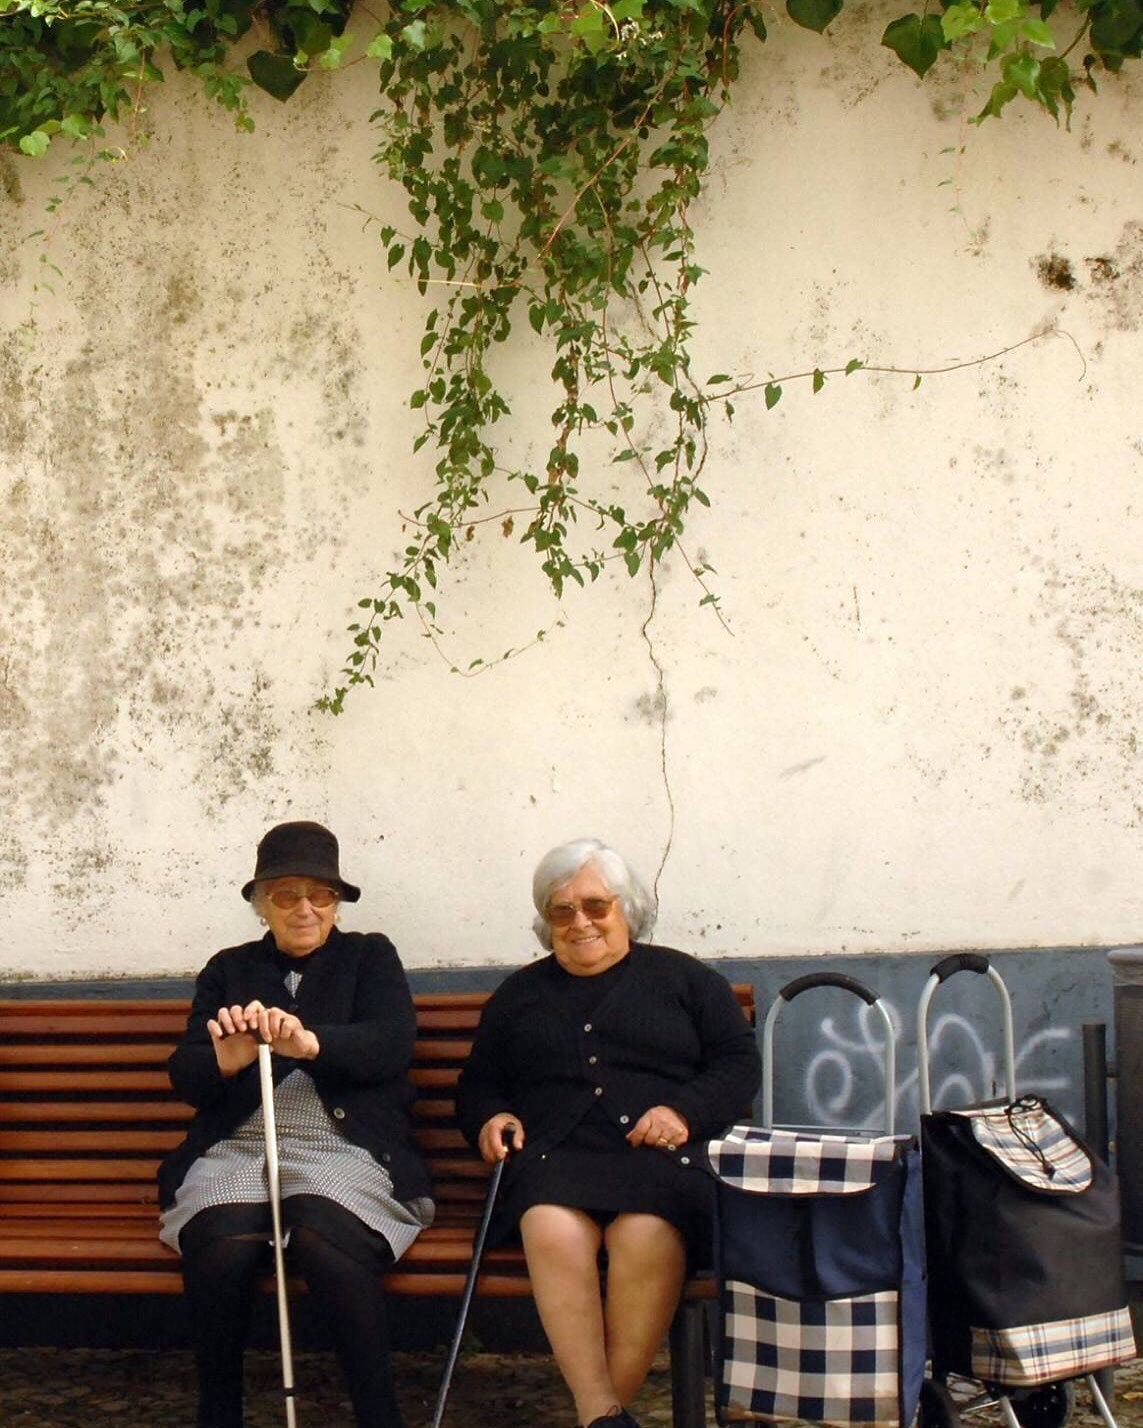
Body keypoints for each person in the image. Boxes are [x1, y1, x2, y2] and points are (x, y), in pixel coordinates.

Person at [456, 837, 761, 1428]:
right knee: (548, 1226)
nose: (581, 922)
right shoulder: (519, 995)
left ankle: (598, 1413)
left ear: (628, 908)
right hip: (554, 1160)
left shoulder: (684, 980)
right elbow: (478, 1084)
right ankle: (604, 1414)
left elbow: (737, 1064)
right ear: (546, 921)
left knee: (646, 1231)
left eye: (597, 905)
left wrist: (682, 1111)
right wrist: (492, 1117)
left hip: (658, 1163)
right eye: (562, 910)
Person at [158, 821, 433, 1428]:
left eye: (321, 894)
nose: (305, 909)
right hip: (240, 1144)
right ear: (262, 906)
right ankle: (219, 1411)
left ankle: (378, 1415)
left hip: (344, 1143)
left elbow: (392, 1045)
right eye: (286, 895)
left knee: (320, 1230)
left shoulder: (371, 956)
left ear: (337, 901)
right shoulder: (228, 969)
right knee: (222, 1235)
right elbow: (187, 1071)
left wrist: (312, 1043)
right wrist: (226, 1059)